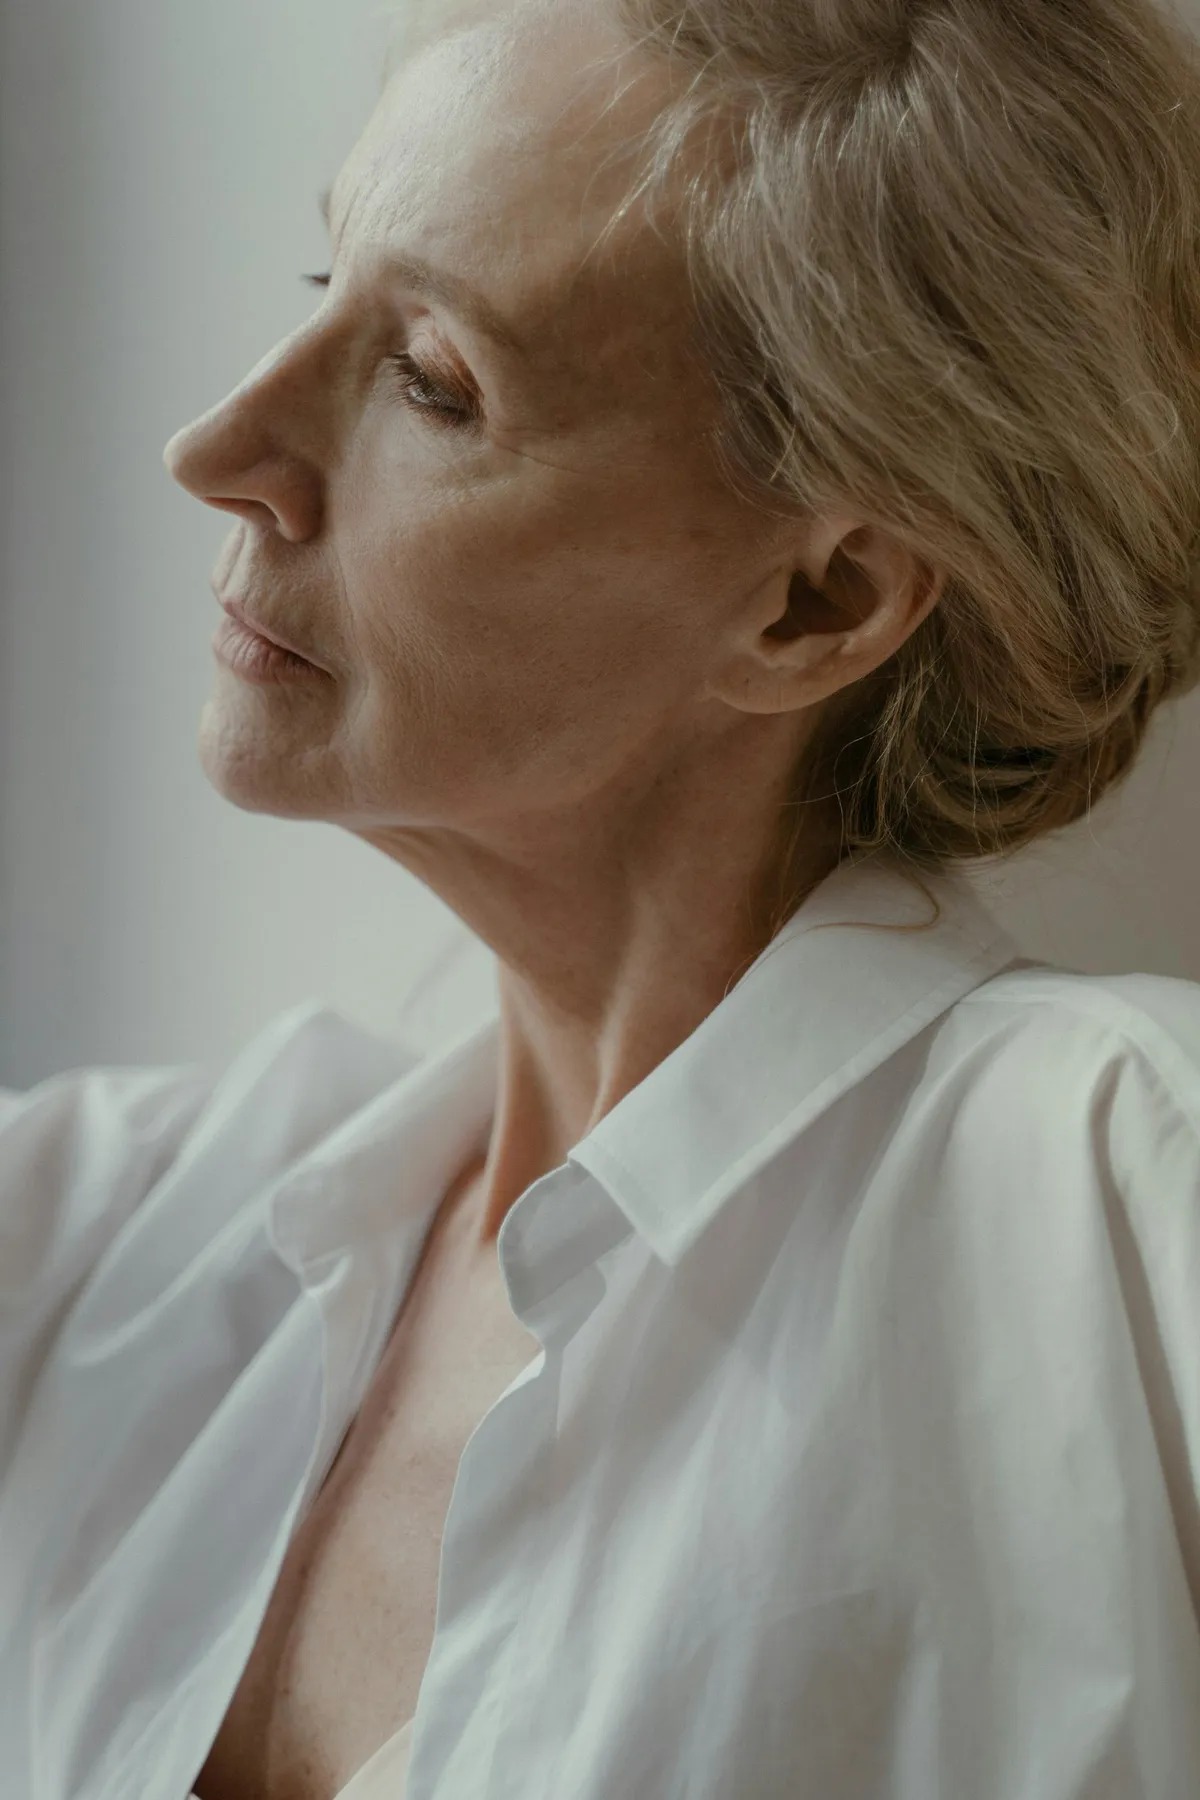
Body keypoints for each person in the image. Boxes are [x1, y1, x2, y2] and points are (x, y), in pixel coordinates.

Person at [3, 0, 1200, 1794]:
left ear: (814, 605)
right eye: (322, 280)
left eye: (432, 381)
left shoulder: (1130, 1201)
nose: (219, 443)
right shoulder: (97, 1249)